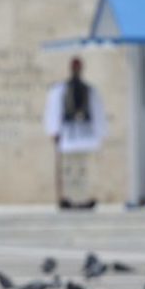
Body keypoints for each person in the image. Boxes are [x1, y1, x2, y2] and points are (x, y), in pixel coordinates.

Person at [42, 57, 106, 209]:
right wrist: (54, 131)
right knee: (69, 170)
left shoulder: (89, 89)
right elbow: (54, 111)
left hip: (84, 134)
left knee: (82, 169)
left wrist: (99, 133)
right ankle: (69, 198)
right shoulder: (60, 89)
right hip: (68, 135)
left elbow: (97, 112)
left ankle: (81, 198)